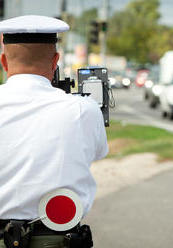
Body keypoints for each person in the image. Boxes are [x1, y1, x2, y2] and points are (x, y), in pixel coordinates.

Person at [0, 15, 108, 247]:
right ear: (55, 61)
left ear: (4, 62)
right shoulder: (83, 109)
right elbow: (98, 153)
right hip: (56, 239)